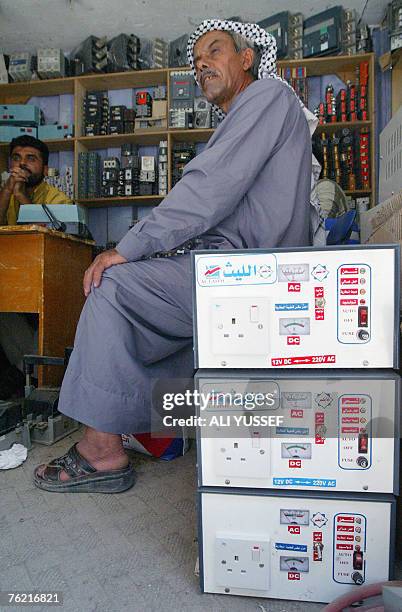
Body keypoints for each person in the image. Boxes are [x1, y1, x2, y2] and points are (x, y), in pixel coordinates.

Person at [34, 20, 313, 493]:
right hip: (237, 268)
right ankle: (170, 429)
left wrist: (128, 248)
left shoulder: (266, 96)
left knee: (112, 287)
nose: (202, 63)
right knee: (152, 301)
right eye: (196, 60)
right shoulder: (249, 114)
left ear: (247, 58)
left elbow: (208, 190)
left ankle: (101, 451)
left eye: (214, 51)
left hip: (250, 273)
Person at [0, 135, 72, 399]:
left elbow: (53, 235)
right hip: (9, 281)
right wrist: (8, 192)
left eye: (31, 158)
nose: (23, 164)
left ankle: (35, 382)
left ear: (43, 167)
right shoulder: (5, 191)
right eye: (17, 158)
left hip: (45, 285)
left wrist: (20, 196)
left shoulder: (57, 198)